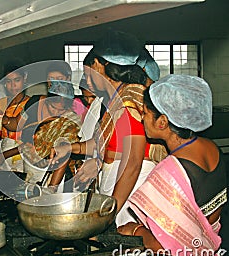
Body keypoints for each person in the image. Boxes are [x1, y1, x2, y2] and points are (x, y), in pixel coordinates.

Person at [118, 74, 227, 256]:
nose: (141, 118)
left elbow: (167, 250)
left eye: (145, 113)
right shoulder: (212, 148)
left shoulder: (168, 173)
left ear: (162, 122)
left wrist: (136, 231)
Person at [51, 31, 157, 226]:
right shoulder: (117, 99)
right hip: (116, 181)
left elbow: (133, 163)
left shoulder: (128, 102)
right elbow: (101, 144)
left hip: (130, 189)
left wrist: (112, 210)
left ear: (99, 65)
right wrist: (70, 148)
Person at [0, 80, 81, 193]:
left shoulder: (69, 121)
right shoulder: (34, 103)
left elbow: (62, 150)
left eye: (61, 110)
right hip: (30, 165)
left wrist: (52, 187)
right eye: (53, 107)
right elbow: (18, 127)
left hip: (56, 174)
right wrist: (4, 120)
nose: (56, 112)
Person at [0, 59, 30, 171]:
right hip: (2, 155)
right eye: (8, 81)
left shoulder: (31, 104)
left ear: (25, 79)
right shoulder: (2, 103)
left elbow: (30, 142)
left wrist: (4, 155)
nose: (13, 85)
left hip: (24, 158)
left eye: (17, 80)